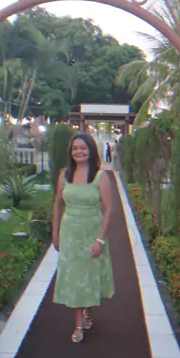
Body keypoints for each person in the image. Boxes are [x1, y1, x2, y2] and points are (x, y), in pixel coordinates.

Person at [52, 133, 115, 343]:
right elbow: (57, 204)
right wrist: (55, 232)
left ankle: (88, 311)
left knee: (89, 276)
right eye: (75, 148)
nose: (79, 152)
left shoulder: (100, 177)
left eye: (83, 148)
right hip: (70, 234)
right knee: (75, 278)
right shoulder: (64, 175)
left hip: (92, 233)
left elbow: (109, 210)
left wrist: (100, 240)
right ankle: (78, 324)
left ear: (91, 150)